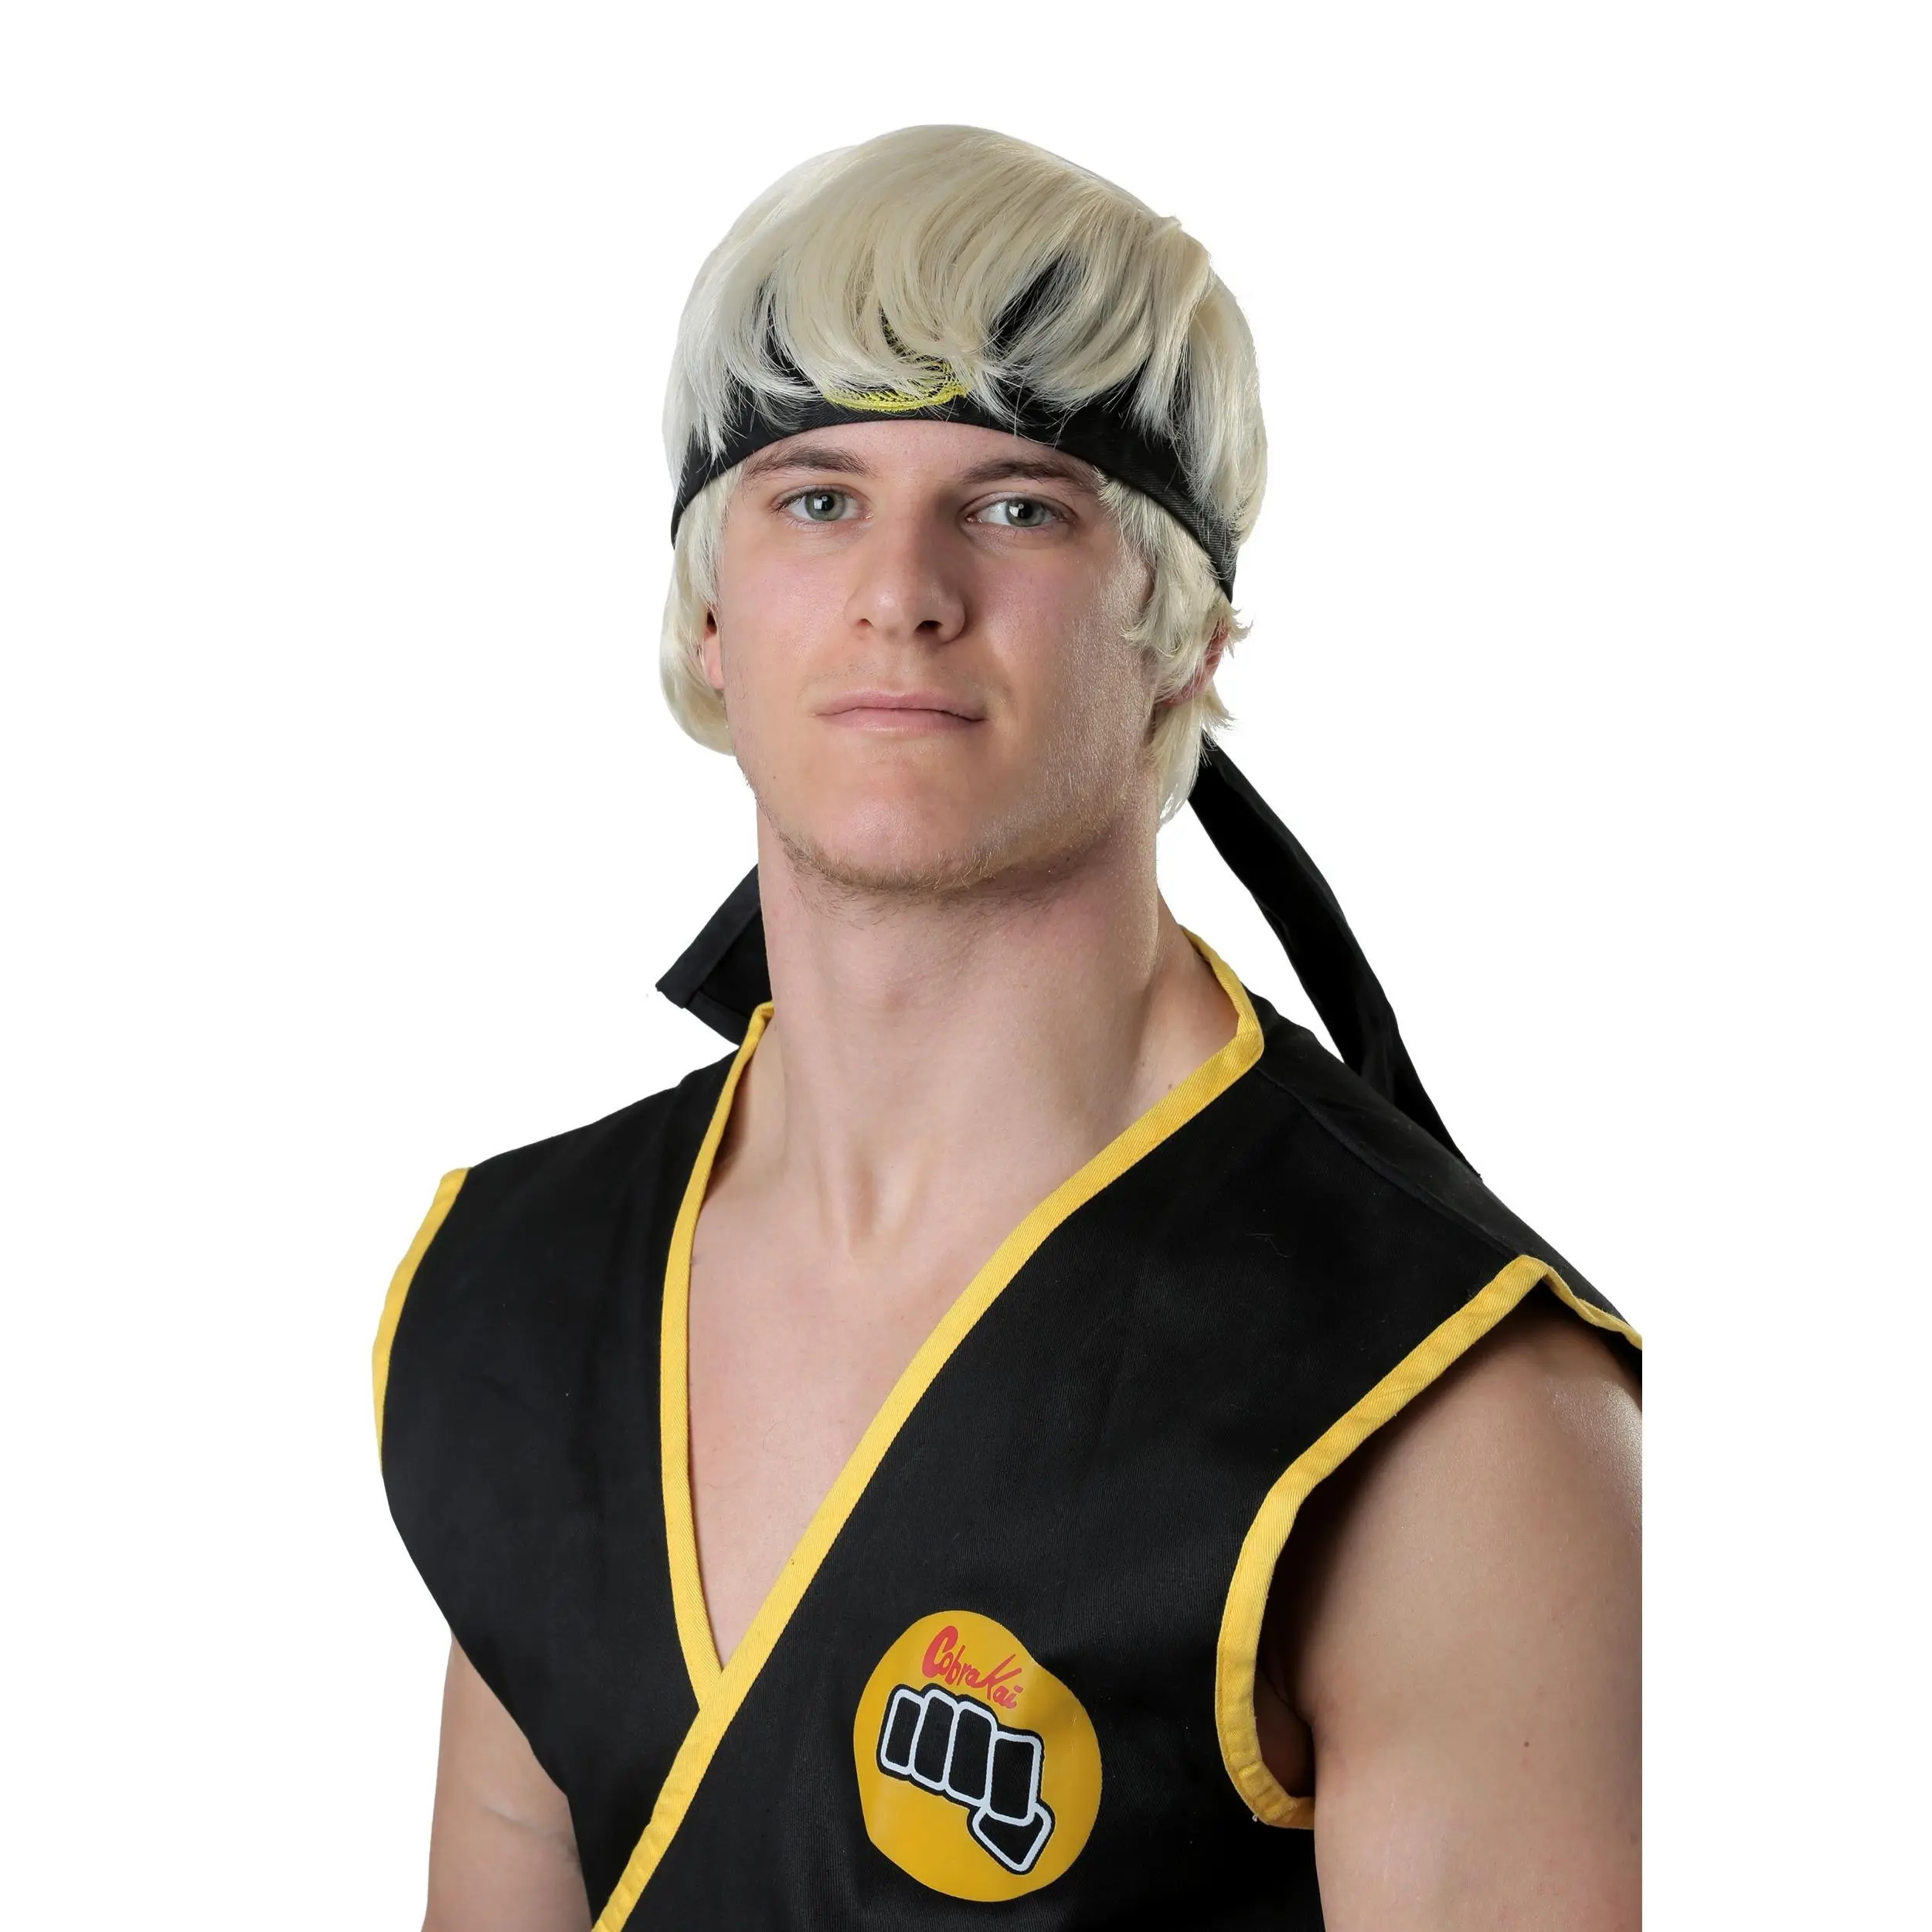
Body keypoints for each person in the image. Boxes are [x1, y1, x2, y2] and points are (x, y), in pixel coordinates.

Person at [374, 124, 1641, 1930]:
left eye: (1016, 505)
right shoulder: (524, 1292)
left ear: (1180, 631)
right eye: (816, 497)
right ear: (712, 614)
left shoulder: (1438, 1412)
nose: (902, 587)